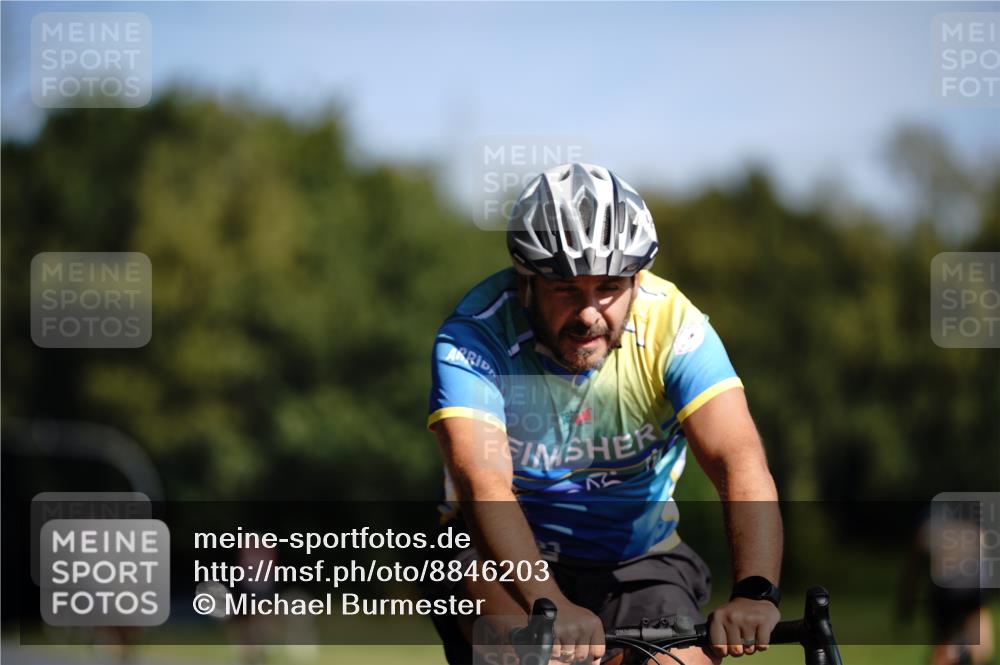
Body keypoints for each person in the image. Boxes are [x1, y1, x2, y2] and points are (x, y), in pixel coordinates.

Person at [425, 163, 783, 664]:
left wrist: (755, 591)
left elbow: (737, 459)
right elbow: (483, 483)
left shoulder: (674, 327)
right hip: (494, 559)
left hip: (638, 556)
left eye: (610, 287)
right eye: (566, 289)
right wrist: (548, 603)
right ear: (526, 284)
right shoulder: (474, 337)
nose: (590, 313)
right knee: (526, 655)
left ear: (637, 280)